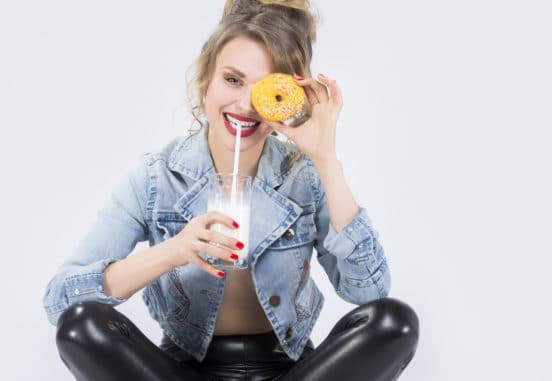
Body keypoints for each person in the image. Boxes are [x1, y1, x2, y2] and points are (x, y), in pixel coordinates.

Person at [43, 1, 419, 380]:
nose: (244, 105)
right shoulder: (156, 177)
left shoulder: (305, 176)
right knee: (81, 325)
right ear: (206, 80)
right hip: (183, 371)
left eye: (264, 90)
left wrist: (325, 159)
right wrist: (174, 251)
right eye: (233, 80)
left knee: (393, 322)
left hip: (290, 371)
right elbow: (61, 299)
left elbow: (369, 292)